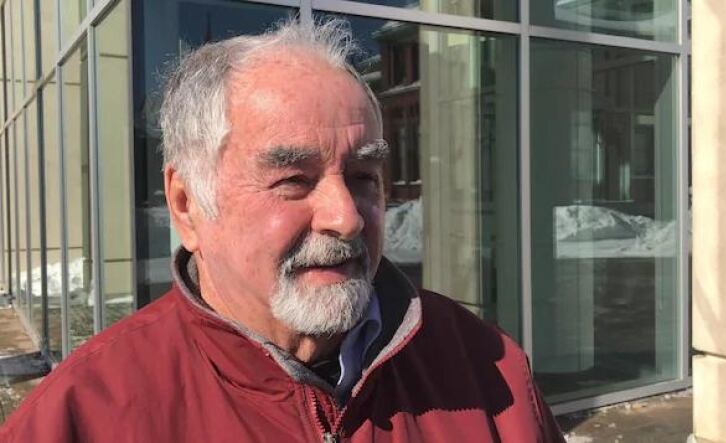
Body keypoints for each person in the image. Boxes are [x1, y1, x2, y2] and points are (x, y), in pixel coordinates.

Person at [0, 19, 564, 442]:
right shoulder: (81, 416)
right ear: (186, 204)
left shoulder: (486, 365)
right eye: (293, 179)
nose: (345, 217)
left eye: (364, 175)